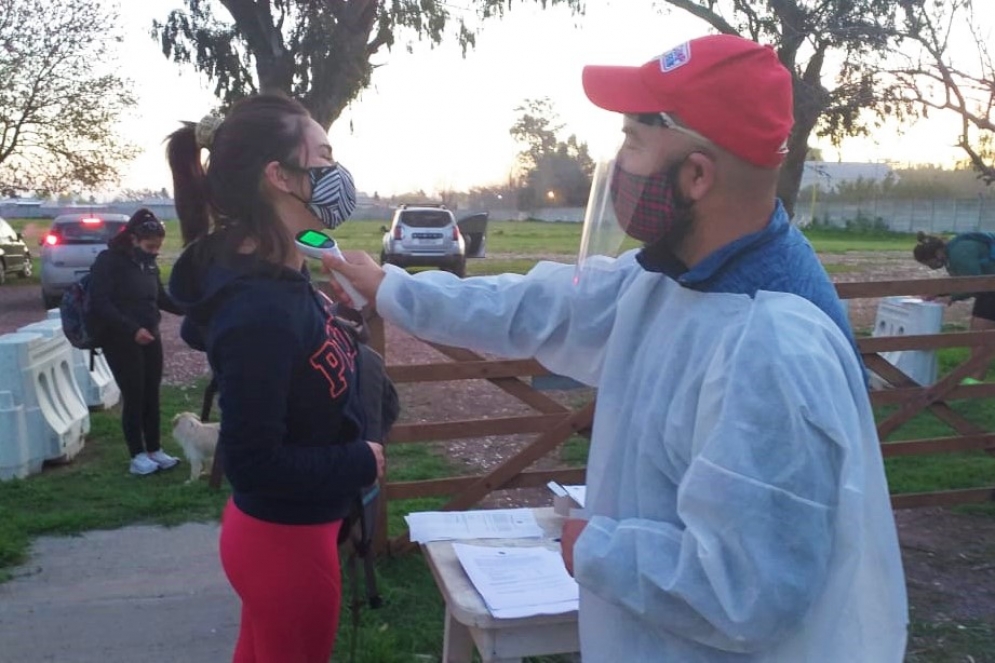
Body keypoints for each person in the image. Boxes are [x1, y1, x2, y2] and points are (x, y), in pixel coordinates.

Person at [323, 34, 908, 662]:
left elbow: (750, 592)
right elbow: (540, 305)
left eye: (633, 141)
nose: (619, 164)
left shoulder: (774, 349)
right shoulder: (678, 272)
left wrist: (594, 547)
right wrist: (390, 288)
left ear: (697, 175)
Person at [165, 94, 384, 663]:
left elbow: (306, 252)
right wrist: (363, 460)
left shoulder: (276, 254)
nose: (338, 172)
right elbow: (251, 460)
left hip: (285, 535)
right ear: (280, 176)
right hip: (286, 546)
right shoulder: (260, 310)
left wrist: (347, 289)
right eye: (325, 157)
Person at [88, 208, 184, 476]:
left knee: (151, 393)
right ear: (133, 239)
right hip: (121, 338)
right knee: (134, 395)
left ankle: (155, 449)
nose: (154, 251)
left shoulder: (148, 263)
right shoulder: (109, 261)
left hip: (150, 334)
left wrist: (194, 308)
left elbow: (160, 298)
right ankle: (137, 455)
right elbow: (101, 303)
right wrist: (132, 329)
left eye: (158, 247)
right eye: (150, 246)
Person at [914, 230, 995, 381]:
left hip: (990, 289)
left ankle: (976, 381)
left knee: (980, 335)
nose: (931, 267)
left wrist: (952, 297)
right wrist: (940, 294)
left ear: (937, 253)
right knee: (978, 334)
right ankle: (975, 378)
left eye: (929, 263)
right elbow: (963, 283)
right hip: (989, 288)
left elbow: (974, 284)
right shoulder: (953, 252)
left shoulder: (959, 253)